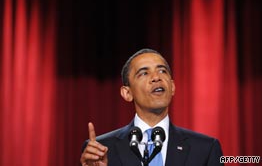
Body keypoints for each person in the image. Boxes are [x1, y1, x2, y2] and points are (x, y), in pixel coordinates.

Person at [80, 48, 224, 166]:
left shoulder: (205, 149)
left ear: (172, 87)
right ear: (127, 93)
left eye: (162, 71)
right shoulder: (101, 150)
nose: (156, 77)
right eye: (144, 73)